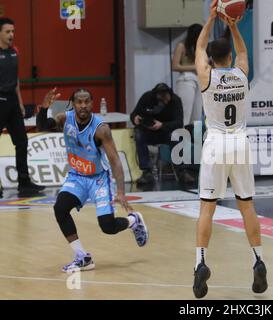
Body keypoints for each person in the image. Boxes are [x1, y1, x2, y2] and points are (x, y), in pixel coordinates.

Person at [192, 0, 268, 299]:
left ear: (212, 58)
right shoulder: (241, 74)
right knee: (246, 205)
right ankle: (258, 259)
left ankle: (200, 263)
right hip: (240, 143)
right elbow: (244, 52)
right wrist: (234, 26)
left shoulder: (206, 76)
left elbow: (199, 49)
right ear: (229, 56)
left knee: (207, 209)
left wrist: (211, 19)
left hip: (216, 144)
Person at [37, 88, 149, 272]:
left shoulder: (101, 129)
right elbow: (43, 126)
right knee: (60, 208)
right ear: (73, 104)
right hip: (76, 177)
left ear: (92, 103)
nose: (83, 105)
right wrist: (43, 108)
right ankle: (82, 257)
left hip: (98, 179)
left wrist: (121, 192)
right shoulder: (65, 119)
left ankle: (133, 221)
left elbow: (115, 161)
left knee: (108, 227)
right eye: (79, 102)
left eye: (86, 101)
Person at [0, 17, 45, 197]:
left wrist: (19, 101)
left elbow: (16, 79)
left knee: (22, 141)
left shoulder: (15, 51)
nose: (11, 35)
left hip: (12, 101)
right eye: (7, 32)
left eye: (13, 31)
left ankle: (24, 183)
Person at [130, 83, 190, 185]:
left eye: (166, 97)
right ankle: (147, 172)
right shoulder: (147, 98)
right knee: (138, 134)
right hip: (149, 132)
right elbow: (134, 114)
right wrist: (134, 118)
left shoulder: (175, 100)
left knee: (177, 135)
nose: (165, 100)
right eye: (162, 98)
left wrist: (162, 125)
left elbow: (179, 123)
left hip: (166, 132)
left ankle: (181, 171)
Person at [172, 24, 203, 126]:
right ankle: (182, 139)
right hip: (186, 79)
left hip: (199, 80)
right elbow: (175, 66)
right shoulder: (181, 46)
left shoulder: (200, 48)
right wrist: (194, 67)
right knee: (185, 113)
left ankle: (197, 141)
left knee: (197, 116)